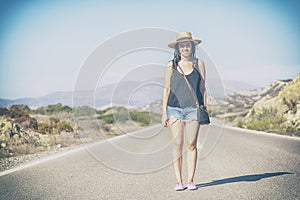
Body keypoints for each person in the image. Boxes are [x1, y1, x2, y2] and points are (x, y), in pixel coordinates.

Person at [161, 32, 207, 191]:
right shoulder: (170, 66)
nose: (185, 48)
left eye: (188, 45)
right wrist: (164, 113)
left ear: (192, 47)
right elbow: (166, 90)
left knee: (192, 145)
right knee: (177, 145)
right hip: (174, 109)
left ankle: (190, 180)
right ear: (178, 48)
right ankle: (179, 181)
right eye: (182, 45)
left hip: (193, 110)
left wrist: (204, 109)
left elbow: (202, 89)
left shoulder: (199, 64)